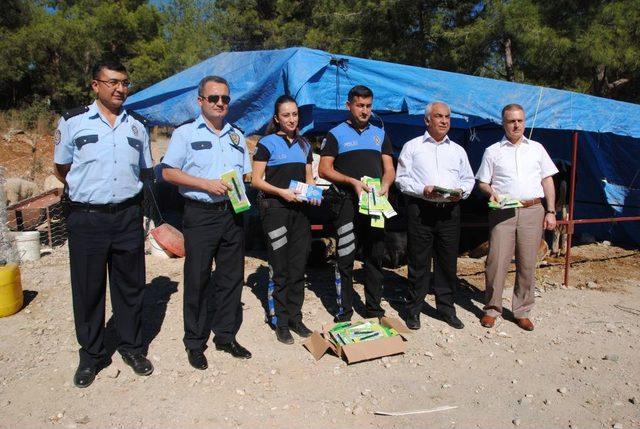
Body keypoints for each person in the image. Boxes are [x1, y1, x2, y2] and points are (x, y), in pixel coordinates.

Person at [53, 60, 154, 388]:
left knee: (130, 287)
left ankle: (132, 347)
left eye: (124, 83)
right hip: (87, 218)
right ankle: (91, 354)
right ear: (95, 85)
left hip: (126, 216)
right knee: (88, 289)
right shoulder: (73, 122)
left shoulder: (138, 126)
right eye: (112, 82)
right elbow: (62, 167)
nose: (120, 89)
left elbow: (144, 170)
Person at [162, 76, 252, 370]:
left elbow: (246, 175)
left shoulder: (237, 136)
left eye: (225, 98)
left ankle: (225, 336)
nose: (220, 103)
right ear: (200, 101)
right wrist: (204, 184)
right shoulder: (185, 134)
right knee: (198, 279)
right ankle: (195, 342)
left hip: (233, 214)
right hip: (200, 215)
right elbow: (168, 173)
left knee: (230, 278)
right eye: (213, 98)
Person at [475, 103, 558, 331]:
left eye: (520, 120)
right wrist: (490, 192)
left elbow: (547, 180)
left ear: (524, 122)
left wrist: (551, 211)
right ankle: (492, 309)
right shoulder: (493, 151)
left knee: (527, 263)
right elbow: (482, 181)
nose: (516, 125)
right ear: (503, 123)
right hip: (503, 212)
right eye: (511, 121)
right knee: (496, 261)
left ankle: (522, 310)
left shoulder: (537, 149)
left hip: (533, 210)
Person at [319, 85, 396, 322]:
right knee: (346, 256)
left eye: (368, 106)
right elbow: (324, 169)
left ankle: (373, 307)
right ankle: (345, 309)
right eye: (360, 105)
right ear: (349, 105)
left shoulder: (380, 134)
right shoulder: (335, 134)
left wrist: (385, 185)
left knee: (375, 255)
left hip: (375, 204)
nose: (364, 111)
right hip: (347, 203)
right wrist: (351, 182)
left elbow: (390, 169)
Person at [395, 101, 475, 330]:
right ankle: (414, 311)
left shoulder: (458, 150)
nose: (444, 121)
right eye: (439, 116)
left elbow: (468, 179)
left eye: (447, 117)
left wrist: (462, 193)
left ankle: (446, 309)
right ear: (427, 120)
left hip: (450, 211)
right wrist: (423, 190)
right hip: (421, 210)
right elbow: (401, 179)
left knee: (448, 263)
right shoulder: (412, 146)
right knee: (419, 263)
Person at [251, 95, 320, 344]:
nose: (291, 119)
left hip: (300, 212)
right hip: (275, 210)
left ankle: (295, 317)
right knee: (279, 268)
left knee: (298, 267)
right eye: (286, 115)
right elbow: (256, 180)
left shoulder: (305, 145)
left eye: (294, 114)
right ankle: (280, 321)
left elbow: (309, 179)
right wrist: (281, 192)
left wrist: (313, 194)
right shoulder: (267, 143)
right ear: (277, 118)